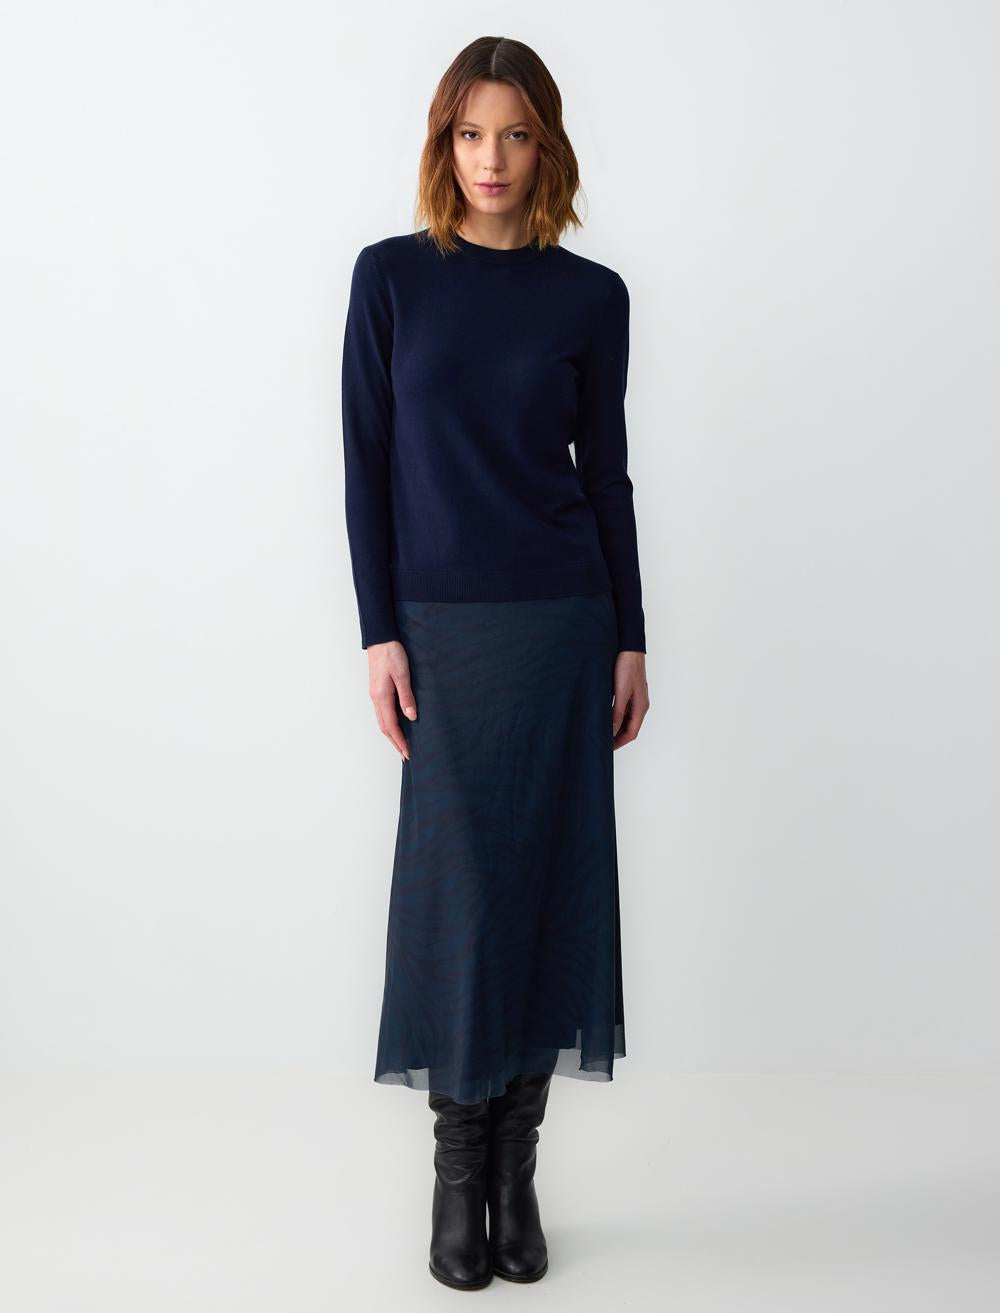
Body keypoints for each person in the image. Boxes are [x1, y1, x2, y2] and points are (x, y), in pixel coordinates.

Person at [341, 35, 650, 1290]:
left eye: (515, 134)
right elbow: (364, 465)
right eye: (470, 134)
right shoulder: (389, 279)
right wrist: (378, 629)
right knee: (460, 895)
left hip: (562, 621)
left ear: (546, 146)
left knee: (546, 887)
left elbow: (607, 475)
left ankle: (515, 1175)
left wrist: (630, 634)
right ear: (443, 143)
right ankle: (456, 1170)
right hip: (442, 630)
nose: (491, 159)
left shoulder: (592, 296)